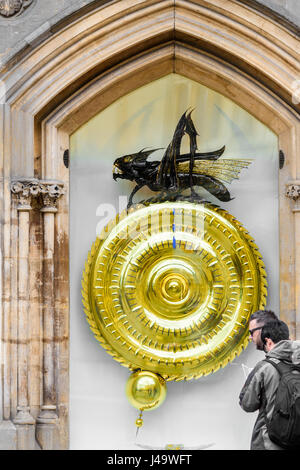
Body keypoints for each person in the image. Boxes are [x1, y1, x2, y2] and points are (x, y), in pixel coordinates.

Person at [239, 318, 300, 450]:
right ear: (288, 338)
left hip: (268, 442)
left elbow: (247, 404)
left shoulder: (264, 367)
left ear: (268, 341)